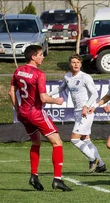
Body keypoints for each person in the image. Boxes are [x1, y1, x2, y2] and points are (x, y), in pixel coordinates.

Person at [8, 44, 72, 191]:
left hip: (23, 113)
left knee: (36, 142)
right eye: (40, 54)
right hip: (35, 112)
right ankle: (57, 179)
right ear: (33, 57)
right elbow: (43, 98)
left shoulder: (18, 71)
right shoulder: (39, 74)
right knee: (57, 142)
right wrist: (57, 101)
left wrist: (18, 109)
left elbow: (11, 92)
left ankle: (34, 176)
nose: (43, 57)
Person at [48, 54, 106, 173]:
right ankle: (101, 164)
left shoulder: (85, 77)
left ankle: (92, 159)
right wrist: (47, 94)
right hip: (77, 112)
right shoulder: (68, 77)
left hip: (86, 111)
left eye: (78, 62)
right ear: (70, 64)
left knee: (74, 139)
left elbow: (94, 94)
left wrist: (86, 106)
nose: (75, 64)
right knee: (85, 139)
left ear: (81, 64)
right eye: (73, 62)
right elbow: (61, 88)